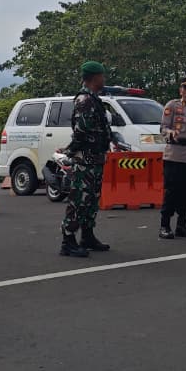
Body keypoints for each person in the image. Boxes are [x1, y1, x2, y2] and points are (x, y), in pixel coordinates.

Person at [60, 60, 121, 258]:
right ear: (95, 77)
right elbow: (81, 131)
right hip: (84, 160)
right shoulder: (85, 100)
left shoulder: (94, 99)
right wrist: (70, 151)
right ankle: (68, 241)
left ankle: (87, 236)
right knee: (79, 200)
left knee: (91, 200)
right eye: (102, 76)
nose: (104, 79)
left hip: (95, 159)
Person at [159, 74, 186, 240]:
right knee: (172, 191)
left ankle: (181, 225)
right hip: (175, 154)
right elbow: (163, 128)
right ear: (180, 90)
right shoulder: (172, 105)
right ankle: (165, 225)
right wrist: (171, 133)